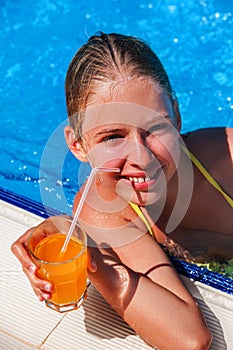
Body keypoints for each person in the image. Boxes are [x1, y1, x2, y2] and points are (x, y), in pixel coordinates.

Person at [12, 31, 233, 349]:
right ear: (78, 145)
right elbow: (189, 339)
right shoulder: (105, 209)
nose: (142, 159)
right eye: (112, 136)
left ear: (177, 116)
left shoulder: (225, 159)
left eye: (156, 127)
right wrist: (89, 254)